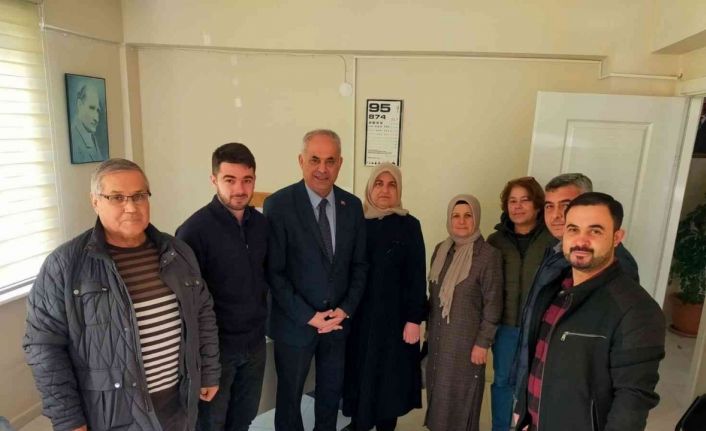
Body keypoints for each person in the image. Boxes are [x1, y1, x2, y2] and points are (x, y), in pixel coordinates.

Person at [24, 158, 220, 431]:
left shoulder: (178, 253)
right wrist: (68, 418)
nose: (131, 207)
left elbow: (202, 313)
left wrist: (208, 371)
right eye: (117, 197)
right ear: (95, 201)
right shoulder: (64, 266)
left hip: (178, 407)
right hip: (111, 414)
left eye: (139, 196)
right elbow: (43, 345)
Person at [513, 193, 665, 431]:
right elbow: (536, 361)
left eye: (595, 231)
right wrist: (523, 416)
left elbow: (632, 402)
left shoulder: (637, 309)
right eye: (573, 229)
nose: (581, 240)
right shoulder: (552, 290)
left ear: (617, 237)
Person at [264, 129, 368, 431]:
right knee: (289, 401)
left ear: (340, 163)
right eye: (314, 160)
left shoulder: (352, 206)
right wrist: (309, 316)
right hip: (295, 324)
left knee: (330, 396)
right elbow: (274, 272)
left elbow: (360, 265)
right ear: (301, 161)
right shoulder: (279, 205)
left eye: (330, 161)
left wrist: (345, 309)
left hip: (337, 324)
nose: (322, 168)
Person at [513, 173, 640, 405]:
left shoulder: (615, 262)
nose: (556, 215)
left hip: (573, 399)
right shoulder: (556, 250)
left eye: (566, 205)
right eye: (549, 206)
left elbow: (617, 358)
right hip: (541, 385)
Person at [176, 143, 268, 431]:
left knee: (244, 419)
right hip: (216, 351)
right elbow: (187, 306)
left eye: (247, 180)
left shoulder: (262, 225)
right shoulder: (193, 232)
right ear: (213, 179)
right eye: (230, 180)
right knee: (211, 424)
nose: (239, 189)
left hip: (255, 345)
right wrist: (202, 360)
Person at [342, 164, 426, 431]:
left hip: (395, 321)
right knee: (359, 374)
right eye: (379, 183)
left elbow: (417, 275)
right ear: (370, 188)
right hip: (359, 318)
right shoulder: (356, 223)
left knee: (389, 381)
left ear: (399, 190)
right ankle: (359, 423)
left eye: (392, 185)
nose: (385, 190)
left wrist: (414, 319)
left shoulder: (409, 225)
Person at [424, 194, 503, 431]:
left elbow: (493, 304)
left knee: (462, 398)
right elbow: (433, 296)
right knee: (438, 393)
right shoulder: (441, 250)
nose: (461, 221)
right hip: (439, 339)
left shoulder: (488, 255)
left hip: (467, 344)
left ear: (476, 218)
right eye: (455, 215)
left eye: (467, 215)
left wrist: (483, 343)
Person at [487, 177, 555, 431]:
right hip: (506, 327)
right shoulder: (496, 241)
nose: (517, 206)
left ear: (537, 205)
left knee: (536, 385)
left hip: (541, 328)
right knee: (503, 382)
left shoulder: (553, 240)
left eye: (524, 200)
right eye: (512, 201)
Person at [70, 84, 107, 163]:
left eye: (97, 111)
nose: (96, 118)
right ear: (80, 105)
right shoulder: (74, 138)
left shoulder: (92, 137)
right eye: (91, 108)